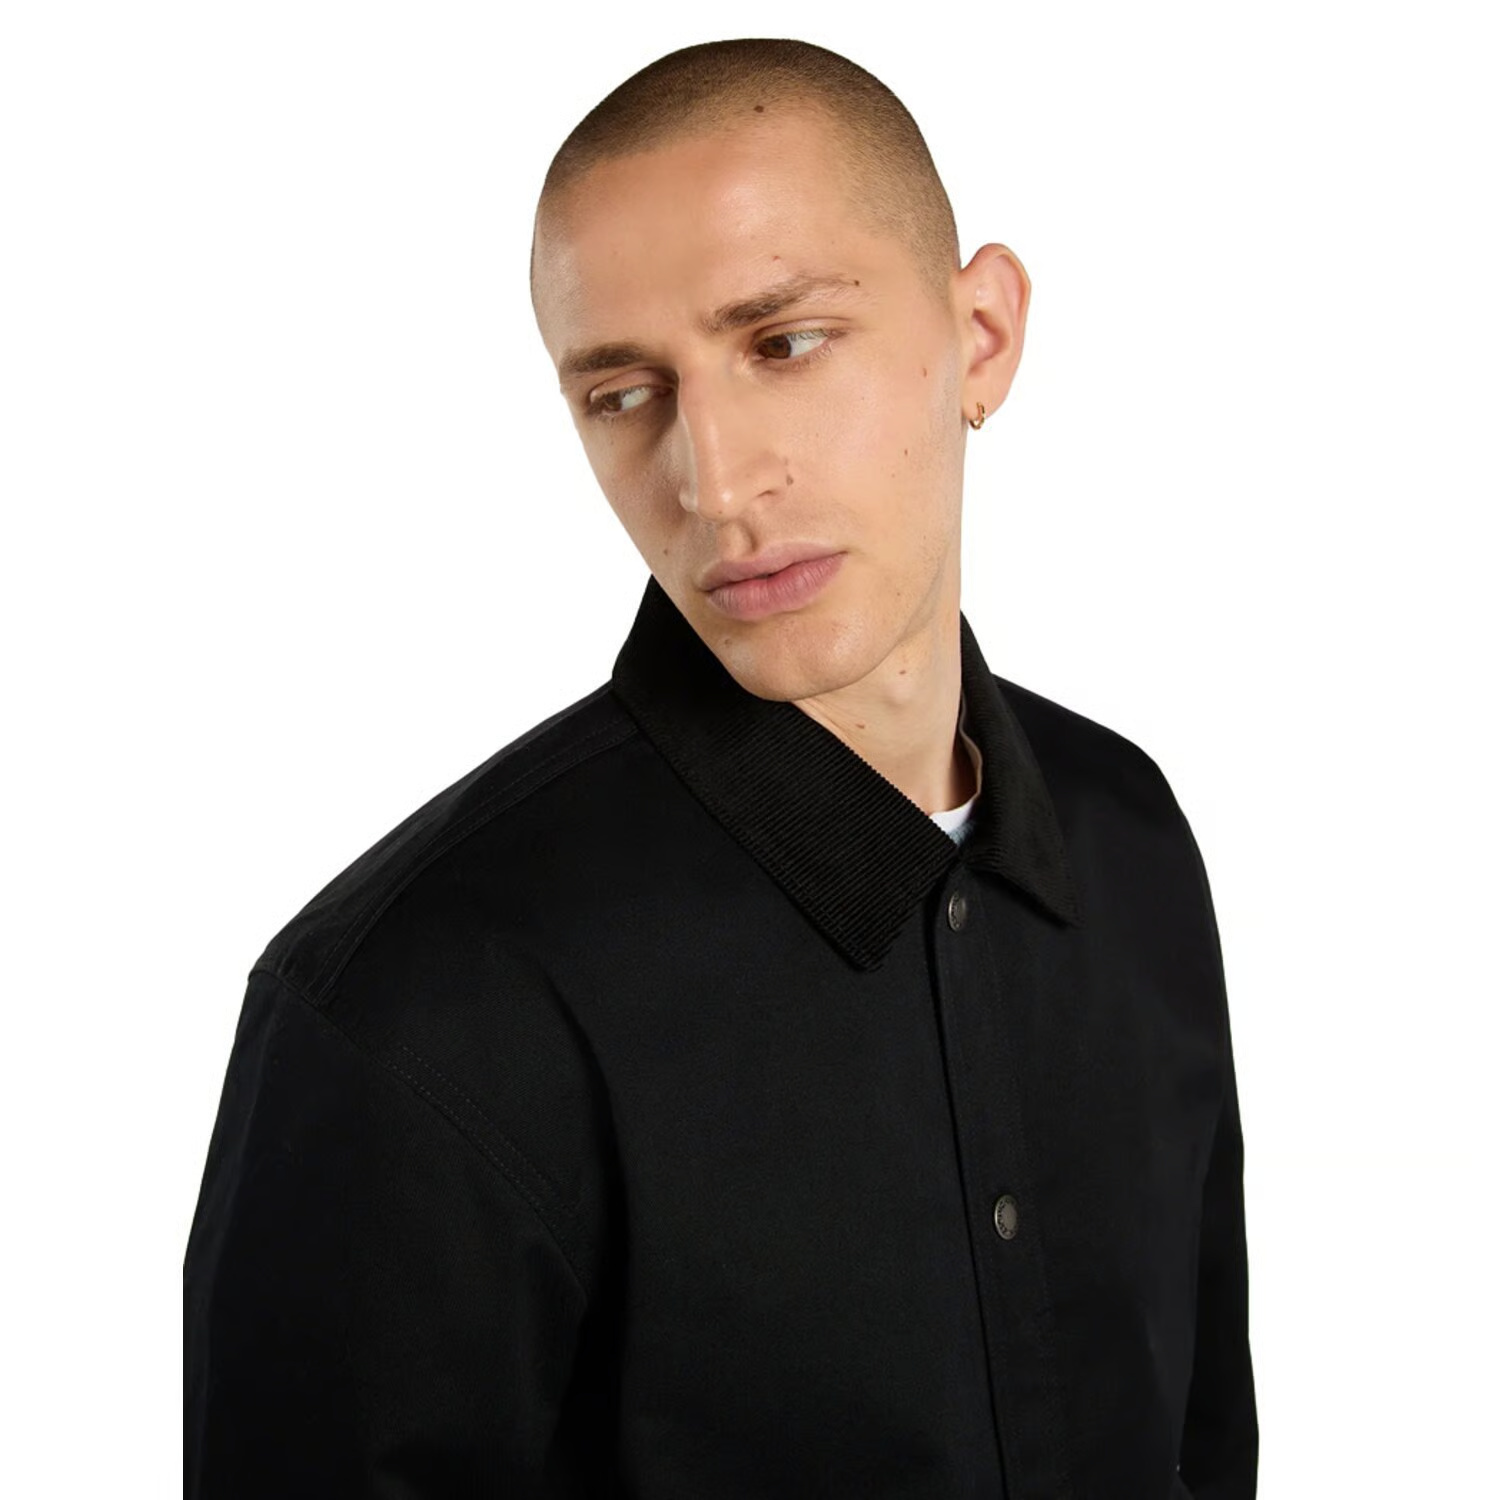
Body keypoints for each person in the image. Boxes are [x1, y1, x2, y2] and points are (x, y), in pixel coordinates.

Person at [183, 37, 1257, 1499]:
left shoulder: (1128, 834)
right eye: (624, 393)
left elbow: (1201, 1446)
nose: (714, 480)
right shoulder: (411, 1007)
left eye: (785, 344)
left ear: (984, 337)